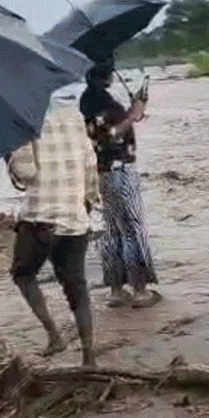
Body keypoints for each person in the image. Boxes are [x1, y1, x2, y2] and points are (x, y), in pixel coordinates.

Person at [6, 110, 100, 366]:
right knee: (77, 288)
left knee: (23, 275)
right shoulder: (75, 119)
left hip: (40, 220)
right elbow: (91, 166)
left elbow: (26, 173)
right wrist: (88, 202)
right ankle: (89, 356)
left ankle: (54, 335)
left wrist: (9, 156)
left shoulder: (25, 122)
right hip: (74, 219)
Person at [79, 60, 159, 308]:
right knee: (132, 228)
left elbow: (105, 131)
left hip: (102, 173)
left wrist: (132, 112)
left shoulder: (88, 101)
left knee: (113, 230)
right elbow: (110, 135)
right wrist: (132, 116)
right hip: (120, 171)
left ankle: (115, 289)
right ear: (105, 76)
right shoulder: (101, 103)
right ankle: (140, 290)